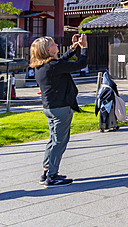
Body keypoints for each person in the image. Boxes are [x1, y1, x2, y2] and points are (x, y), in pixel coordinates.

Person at [31, 33, 88, 186]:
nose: (56, 45)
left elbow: (61, 61)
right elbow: (80, 64)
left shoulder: (42, 66)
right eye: (53, 44)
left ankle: (46, 171)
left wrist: (73, 48)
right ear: (47, 50)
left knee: (53, 139)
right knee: (60, 141)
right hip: (61, 108)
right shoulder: (54, 66)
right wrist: (84, 49)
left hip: (49, 108)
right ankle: (52, 175)